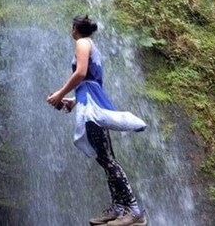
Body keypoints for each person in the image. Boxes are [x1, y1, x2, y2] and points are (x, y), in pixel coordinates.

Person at [46, 14, 148, 226]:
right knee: (105, 158)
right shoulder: (91, 44)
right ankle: (119, 208)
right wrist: (74, 101)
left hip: (92, 108)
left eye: (71, 26)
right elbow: (90, 82)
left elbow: (81, 73)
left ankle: (133, 209)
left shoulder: (82, 43)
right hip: (90, 102)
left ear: (75, 28)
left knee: (107, 159)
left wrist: (59, 92)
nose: (70, 30)